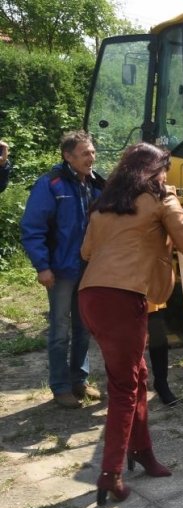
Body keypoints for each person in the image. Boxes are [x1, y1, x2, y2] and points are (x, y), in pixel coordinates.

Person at [78, 142, 183, 506]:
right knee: (123, 387)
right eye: (164, 168)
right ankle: (110, 472)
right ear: (154, 170)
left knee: (137, 375)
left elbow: (86, 252)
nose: (166, 175)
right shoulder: (161, 197)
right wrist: (172, 202)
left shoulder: (104, 202)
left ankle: (142, 452)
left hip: (91, 296)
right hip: (124, 298)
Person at [21, 131, 105, 409]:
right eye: (85, 153)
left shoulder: (95, 184)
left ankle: (78, 381)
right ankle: (59, 387)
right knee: (59, 331)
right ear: (68, 157)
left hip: (88, 269)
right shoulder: (51, 184)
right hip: (59, 271)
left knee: (84, 329)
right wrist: (42, 267)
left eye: (92, 152)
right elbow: (32, 229)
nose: (91, 158)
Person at [147, 302, 178, 406]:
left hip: (151, 292)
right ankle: (131, 385)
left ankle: (161, 382)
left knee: (158, 332)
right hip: (125, 291)